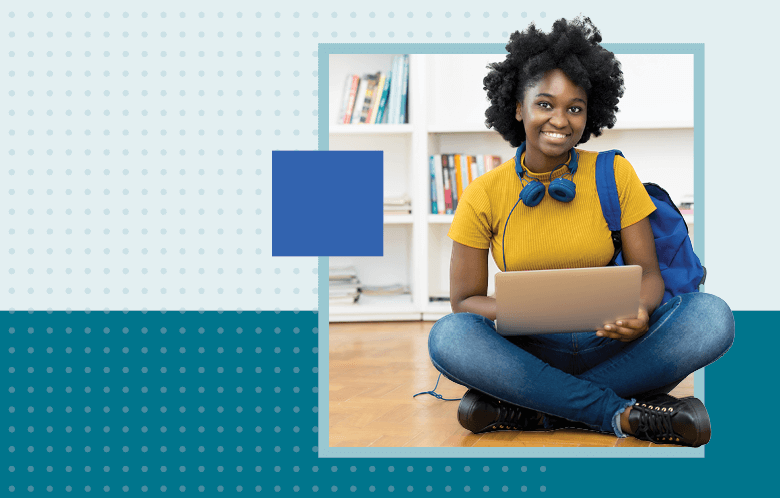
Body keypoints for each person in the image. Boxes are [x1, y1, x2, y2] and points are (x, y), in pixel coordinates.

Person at [427, 17, 734, 447]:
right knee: (448, 336)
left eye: (575, 108)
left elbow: (649, 275)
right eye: (544, 104)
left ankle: (535, 408)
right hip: (530, 349)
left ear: (590, 114)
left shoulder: (614, 173)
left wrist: (640, 310)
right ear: (518, 108)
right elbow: (464, 301)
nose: (560, 120)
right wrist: (521, 310)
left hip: (613, 343)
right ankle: (621, 413)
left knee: (711, 316)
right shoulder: (484, 193)